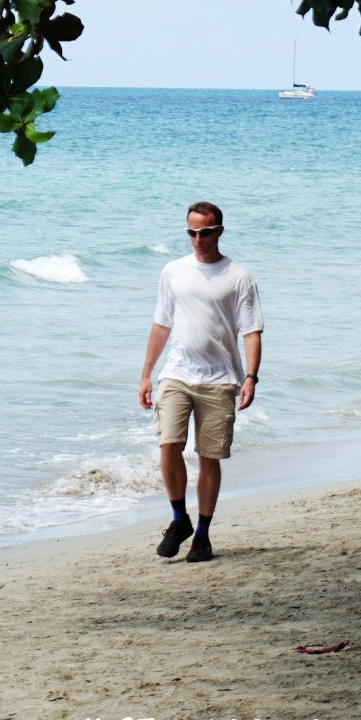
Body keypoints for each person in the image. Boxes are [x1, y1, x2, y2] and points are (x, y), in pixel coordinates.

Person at [141, 202, 263, 563]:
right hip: (177, 373)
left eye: (205, 232)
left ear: (219, 231)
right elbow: (161, 323)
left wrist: (251, 377)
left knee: (209, 457)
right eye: (192, 232)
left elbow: (252, 331)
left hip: (221, 379)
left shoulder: (238, 276)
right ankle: (180, 519)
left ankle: (203, 535)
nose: (198, 239)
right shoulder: (173, 271)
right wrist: (146, 373)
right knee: (169, 445)